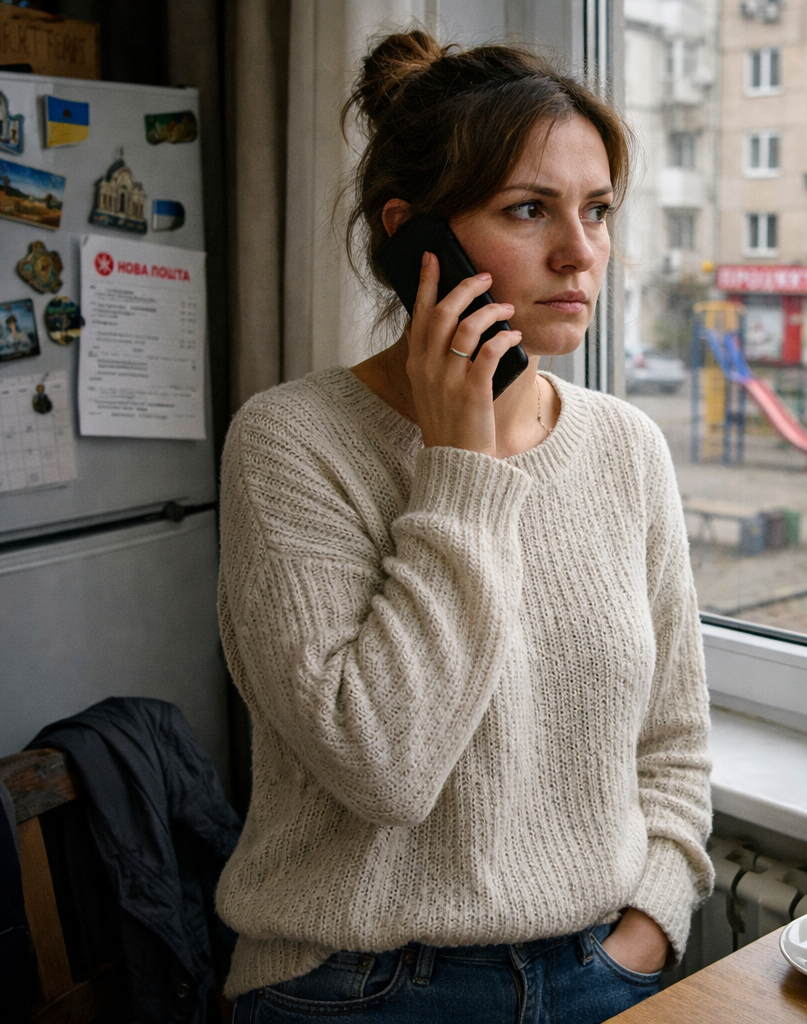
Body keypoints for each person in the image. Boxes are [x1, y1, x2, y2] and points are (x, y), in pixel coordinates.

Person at [217, 30, 713, 1023]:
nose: (580, 253)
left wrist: (647, 927)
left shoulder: (625, 448)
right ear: (414, 237)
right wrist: (460, 468)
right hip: (357, 983)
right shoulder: (290, 442)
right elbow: (383, 767)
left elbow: (674, 745)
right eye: (528, 210)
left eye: (598, 211)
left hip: (601, 970)